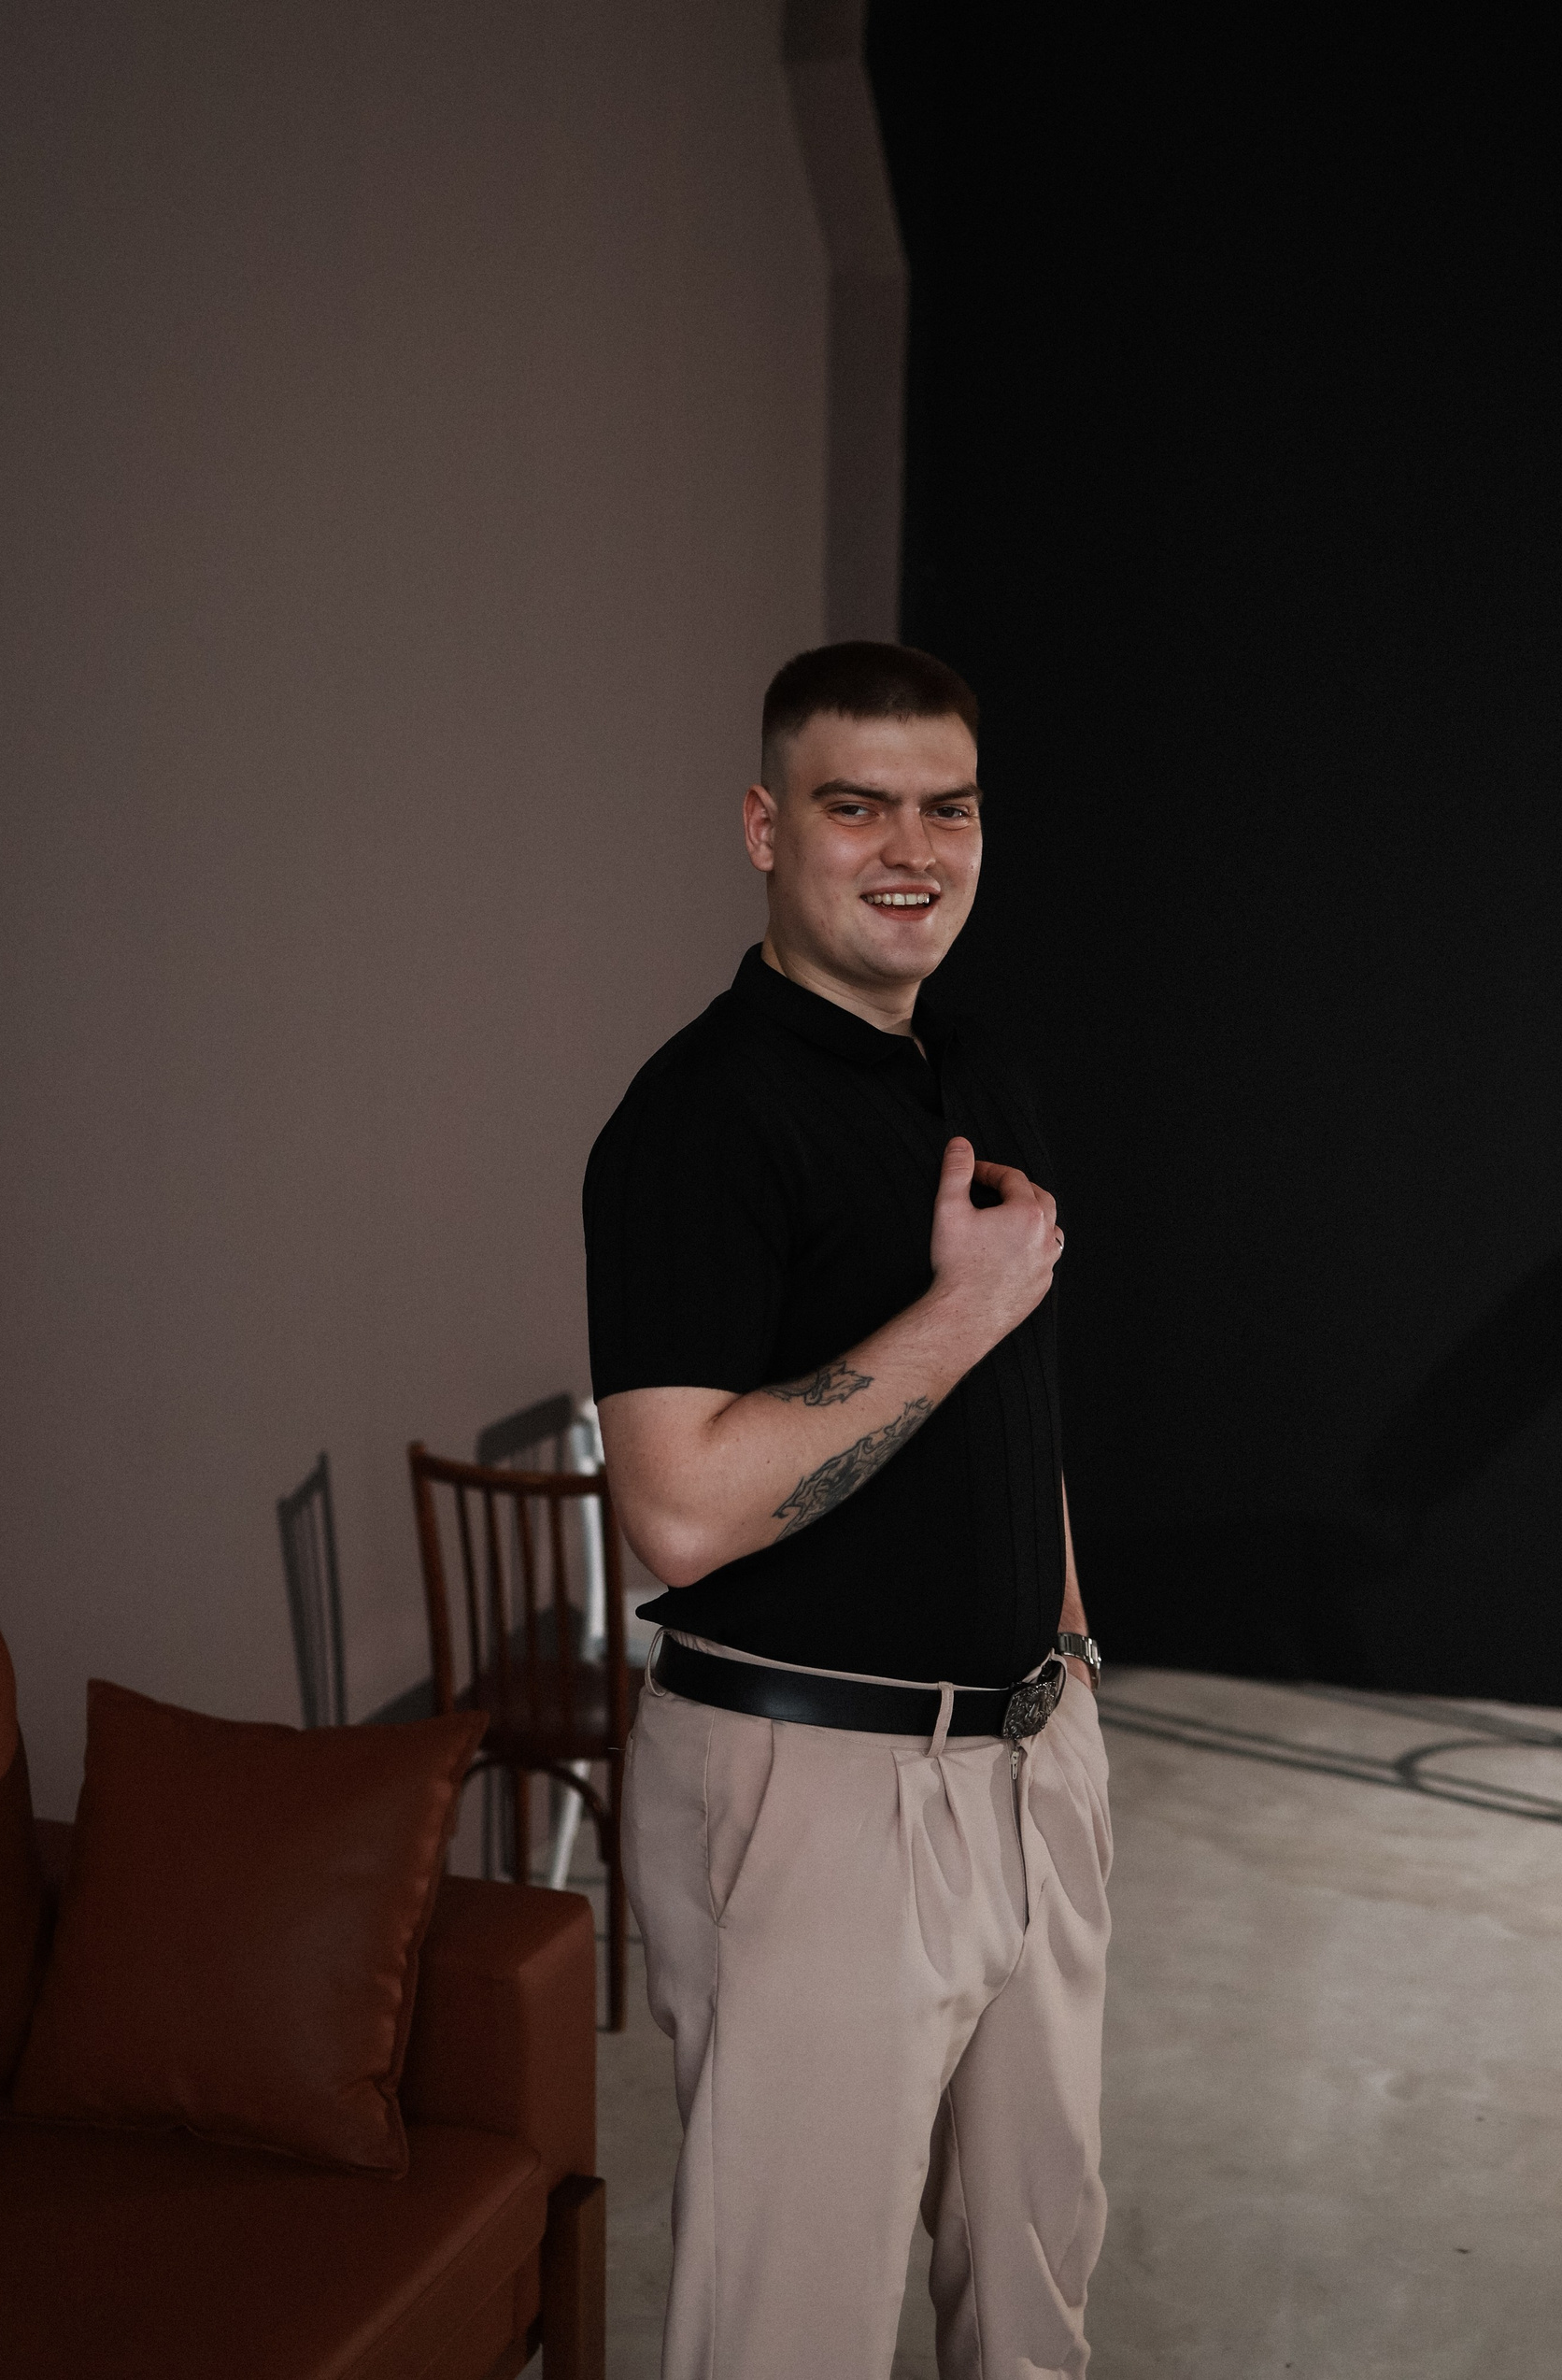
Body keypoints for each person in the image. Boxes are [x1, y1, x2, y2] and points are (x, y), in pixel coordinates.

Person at [583, 641, 1110, 2380]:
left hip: (1027, 1764)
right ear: (765, 827)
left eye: (948, 810)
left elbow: (1021, 1408)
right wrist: (958, 1311)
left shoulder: (981, 1067)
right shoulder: (698, 1121)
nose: (912, 850)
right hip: (818, 1794)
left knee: (1032, 2298)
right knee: (789, 2337)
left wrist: (1068, 1660)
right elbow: (675, 1513)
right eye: (856, 806)